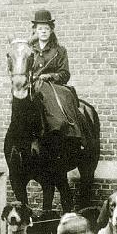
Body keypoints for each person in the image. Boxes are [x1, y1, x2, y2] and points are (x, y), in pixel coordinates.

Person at [28, 10, 88, 156]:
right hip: (33, 86)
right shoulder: (29, 50)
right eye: (40, 28)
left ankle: (73, 133)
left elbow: (65, 74)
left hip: (52, 86)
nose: (43, 32)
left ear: (51, 30)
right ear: (35, 30)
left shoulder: (59, 51)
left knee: (65, 97)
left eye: (46, 28)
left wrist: (50, 76)